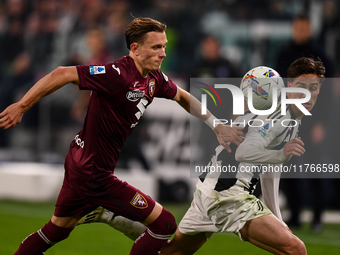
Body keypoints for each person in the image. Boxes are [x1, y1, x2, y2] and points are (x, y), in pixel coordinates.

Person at [0, 17, 244, 255]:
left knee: (57, 230)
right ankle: (104, 211)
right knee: (165, 224)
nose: (163, 54)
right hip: (93, 172)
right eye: (157, 47)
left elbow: (182, 96)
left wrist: (216, 125)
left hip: (81, 160)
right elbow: (62, 73)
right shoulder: (117, 74)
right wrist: (22, 105)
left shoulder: (153, 78)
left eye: (164, 47)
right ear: (135, 49)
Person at [78, 57, 324, 255]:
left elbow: (269, 172)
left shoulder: (286, 117)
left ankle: (109, 215)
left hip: (211, 188)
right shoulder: (279, 115)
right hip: (229, 195)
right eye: (301, 87)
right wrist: (281, 154)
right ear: (288, 85)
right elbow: (244, 152)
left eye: (314, 88)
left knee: (170, 252)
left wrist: (277, 219)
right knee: (296, 249)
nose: (308, 94)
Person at [275, 13, 333, 232]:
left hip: (313, 120)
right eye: (297, 27)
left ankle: (317, 217)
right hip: (288, 119)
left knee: (314, 170)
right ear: (293, 28)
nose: (300, 31)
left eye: (304, 28)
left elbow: (327, 95)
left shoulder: (321, 57)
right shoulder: (284, 53)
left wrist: (323, 123)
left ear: (309, 29)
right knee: (287, 168)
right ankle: (296, 214)